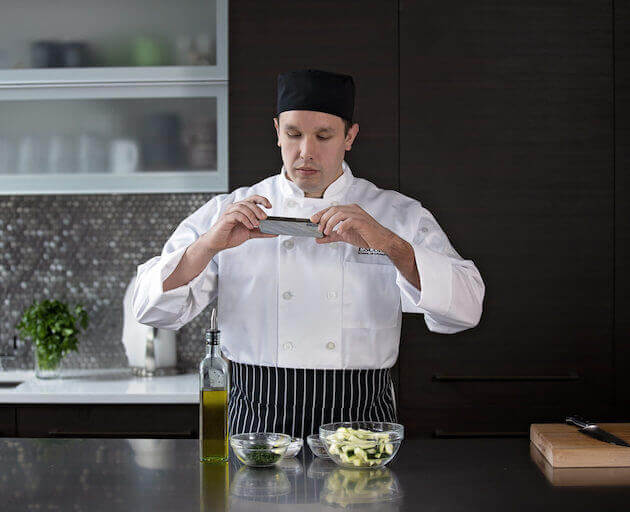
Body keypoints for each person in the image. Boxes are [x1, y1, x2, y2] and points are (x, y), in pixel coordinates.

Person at [133, 69, 485, 439]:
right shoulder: (230, 210)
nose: (306, 152)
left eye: (323, 136)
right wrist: (207, 246)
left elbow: (467, 308)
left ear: (350, 137)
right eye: (294, 134)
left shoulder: (397, 214)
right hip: (257, 418)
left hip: (361, 419)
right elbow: (149, 307)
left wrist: (391, 245)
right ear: (277, 132)